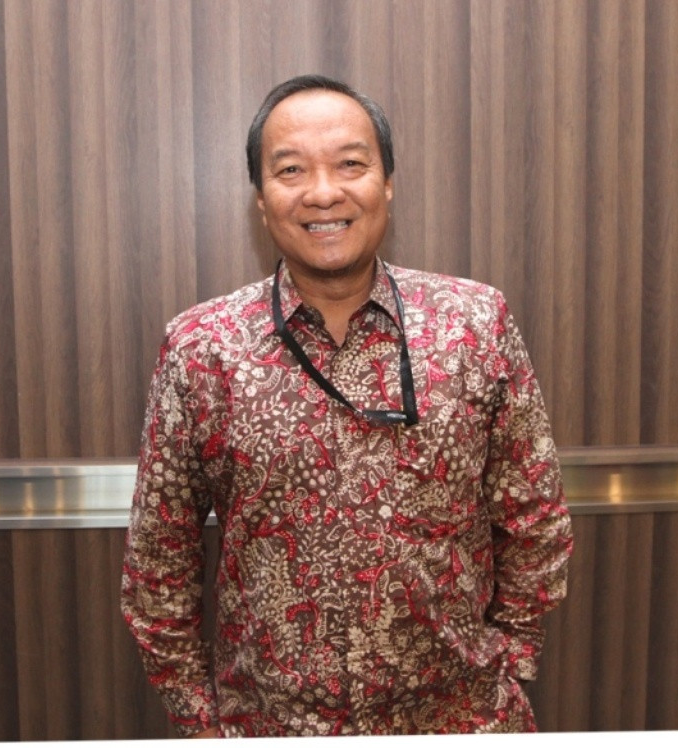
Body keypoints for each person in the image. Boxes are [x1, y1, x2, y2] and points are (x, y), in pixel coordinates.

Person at [121, 74, 572, 737]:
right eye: (291, 170)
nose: (323, 192)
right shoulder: (202, 348)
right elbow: (160, 561)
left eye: (351, 164)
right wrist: (202, 724)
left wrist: (513, 664)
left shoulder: (474, 324)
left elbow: (534, 516)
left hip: (462, 720)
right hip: (270, 728)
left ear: (387, 183)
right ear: (261, 198)